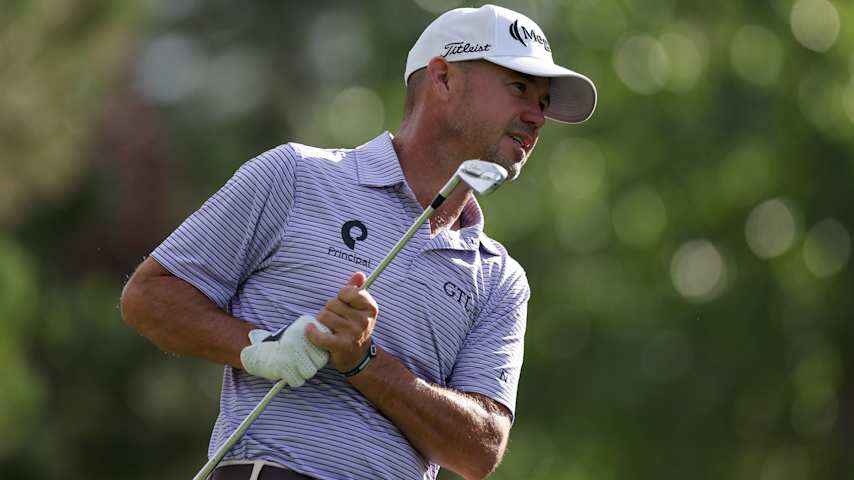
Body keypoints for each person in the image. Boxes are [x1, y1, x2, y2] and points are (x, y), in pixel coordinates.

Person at [120, 4, 595, 480]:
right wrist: (261, 347)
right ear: (444, 79)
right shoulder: (296, 176)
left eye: (544, 101)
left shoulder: (499, 278)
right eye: (519, 89)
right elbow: (150, 297)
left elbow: (480, 450)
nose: (538, 117)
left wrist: (365, 362)